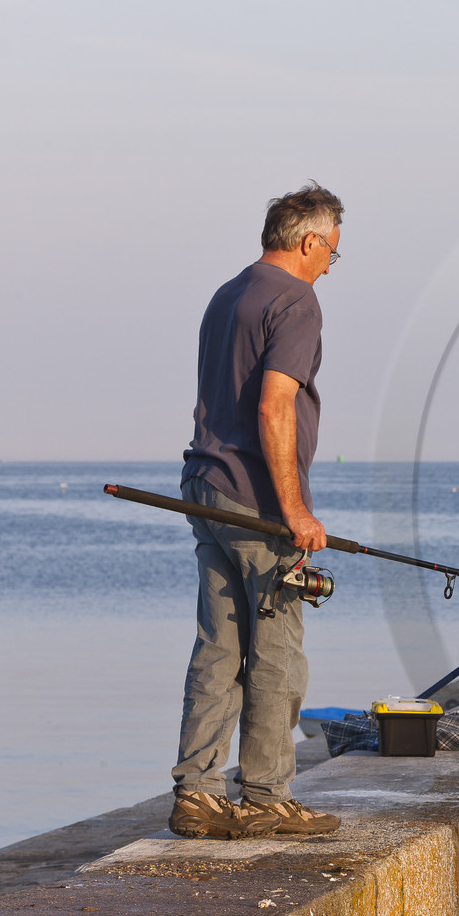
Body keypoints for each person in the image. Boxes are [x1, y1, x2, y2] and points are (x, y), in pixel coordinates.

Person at [170, 182, 346, 840]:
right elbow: (275, 406)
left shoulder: (227, 295)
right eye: (331, 252)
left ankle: (198, 794)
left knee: (218, 647)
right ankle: (268, 796)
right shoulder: (296, 300)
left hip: (205, 487)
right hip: (257, 506)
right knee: (276, 650)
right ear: (309, 242)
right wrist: (295, 510)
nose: (330, 265)